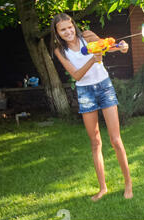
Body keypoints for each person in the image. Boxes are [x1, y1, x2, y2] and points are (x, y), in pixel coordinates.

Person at [51, 13, 133, 202]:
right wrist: (93, 59)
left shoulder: (87, 36)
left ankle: (128, 183)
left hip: (104, 87)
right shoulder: (59, 51)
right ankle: (103, 188)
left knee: (115, 139)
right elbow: (77, 75)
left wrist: (121, 47)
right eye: (63, 30)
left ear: (74, 25)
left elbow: (108, 46)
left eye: (70, 27)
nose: (68, 31)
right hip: (85, 92)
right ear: (57, 33)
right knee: (95, 142)